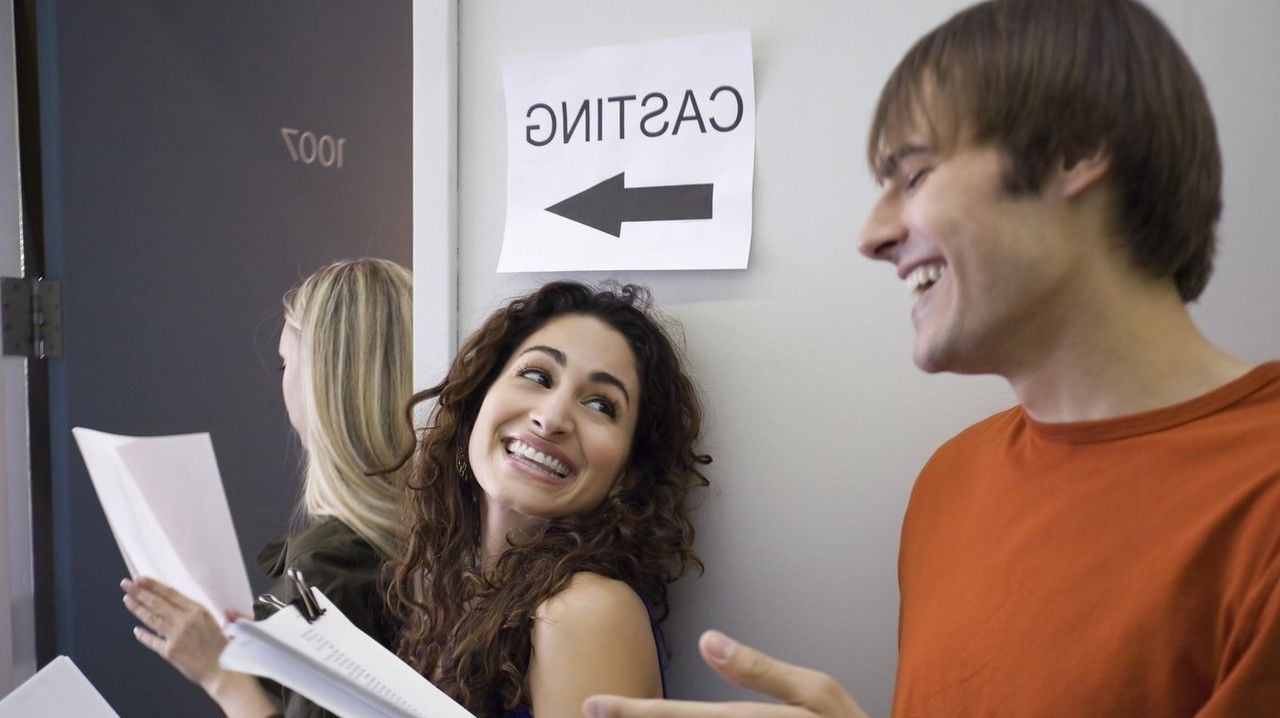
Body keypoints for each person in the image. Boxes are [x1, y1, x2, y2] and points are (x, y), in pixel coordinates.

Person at [583, 0, 1280, 716]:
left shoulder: (1262, 503)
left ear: (1074, 153)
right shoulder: (951, 482)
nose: (872, 236)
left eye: (914, 176)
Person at [387, 281, 710, 717]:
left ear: (628, 474)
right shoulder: (459, 589)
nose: (552, 418)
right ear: (477, 402)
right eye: (538, 377)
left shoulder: (583, 611)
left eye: (600, 405)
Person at [120, 257, 414, 718]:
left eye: (284, 365)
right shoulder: (445, 538)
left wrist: (220, 676)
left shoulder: (331, 571)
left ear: (323, 385)